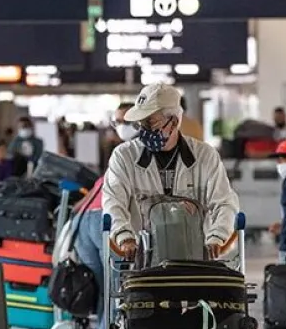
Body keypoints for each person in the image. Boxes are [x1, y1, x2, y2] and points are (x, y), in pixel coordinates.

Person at [102, 83, 239, 260]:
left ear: (173, 121)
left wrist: (217, 237)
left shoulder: (205, 156)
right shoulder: (124, 157)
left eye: (150, 121)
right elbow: (113, 202)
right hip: (143, 262)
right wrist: (124, 236)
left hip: (195, 259)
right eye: (140, 122)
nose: (143, 129)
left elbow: (224, 203)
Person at [75, 114, 141, 329]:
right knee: (114, 285)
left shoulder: (119, 156)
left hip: (83, 223)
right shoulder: (136, 155)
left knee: (99, 284)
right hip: (105, 221)